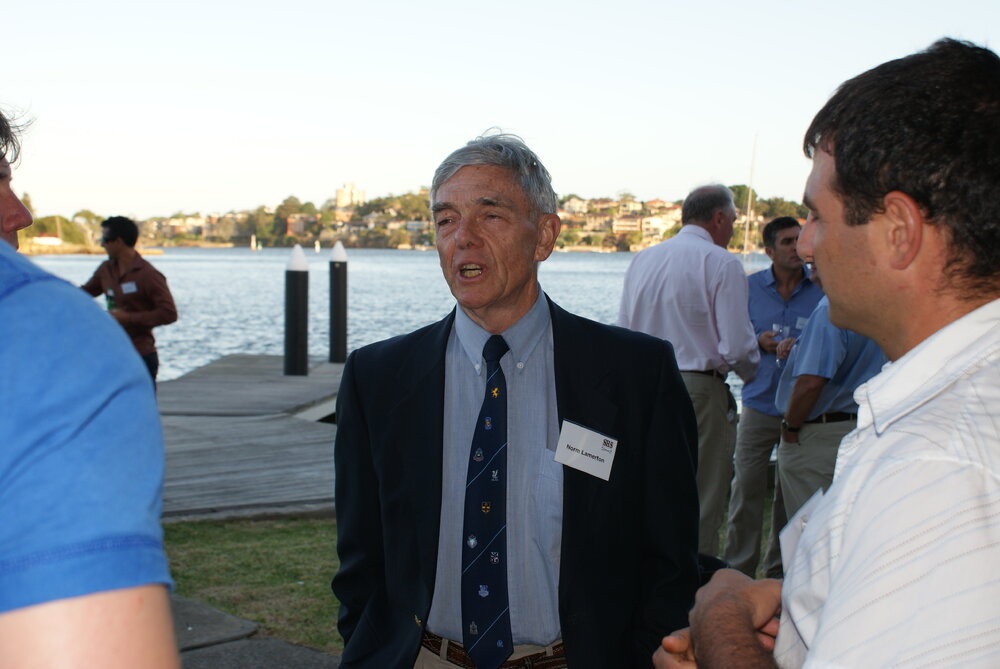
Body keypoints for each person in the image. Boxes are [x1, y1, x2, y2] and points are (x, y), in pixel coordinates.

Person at [654, 38, 1000, 668]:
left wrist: (721, 621)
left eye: (818, 215)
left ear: (899, 232)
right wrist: (811, 605)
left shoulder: (937, 467)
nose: (806, 244)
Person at [333, 132, 700, 669]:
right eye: (446, 219)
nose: (463, 239)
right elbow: (360, 560)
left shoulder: (635, 374)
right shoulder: (378, 377)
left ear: (545, 235)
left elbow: (671, 559)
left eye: (491, 216)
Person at [0, 110, 179, 668]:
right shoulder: (104, 272)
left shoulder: (146, 273)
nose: (22, 214)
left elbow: (166, 312)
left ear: (121, 239)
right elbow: (81, 295)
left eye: (106, 234)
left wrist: (119, 322)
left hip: (140, 359)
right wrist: (73, 313)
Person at [619, 184, 759, 557]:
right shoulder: (721, 262)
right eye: (731, 220)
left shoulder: (643, 260)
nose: (731, 228)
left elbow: (622, 331)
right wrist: (753, 376)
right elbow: (738, 346)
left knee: (649, 488)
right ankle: (692, 593)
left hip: (643, 385)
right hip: (698, 388)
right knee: (703, 496)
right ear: (717, 218)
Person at [723, 217, 821, 577]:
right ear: (768, 250)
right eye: (786, 242)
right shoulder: (748, 288)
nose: (796, 248)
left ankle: (779, 577)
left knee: (789, 497)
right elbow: (730, 333)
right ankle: (735, 575)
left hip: (804, 409)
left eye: (799, 240)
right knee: (746, 492)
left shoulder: (820, 290)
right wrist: (757, 340)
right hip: (759, 403)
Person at [774, 253, 885, 519]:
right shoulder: (878, 306)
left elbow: (811, 382)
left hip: (819, 435)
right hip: (862, 427)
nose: (811, 275)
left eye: (816, 266)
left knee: (810, 530)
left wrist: (790, 427)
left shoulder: (829, 310)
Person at [81, 215, 177, 382]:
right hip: (111, 353)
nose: (102, 244)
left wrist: (128, 318)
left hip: (141, 355)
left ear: (118, 242)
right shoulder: (106, 270)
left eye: (104, 239)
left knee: (141, 408)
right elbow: (83, 294)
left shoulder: (149, 275)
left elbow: (169, 314)